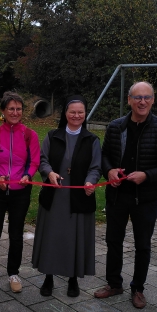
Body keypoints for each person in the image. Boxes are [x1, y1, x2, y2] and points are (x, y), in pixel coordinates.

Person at [94, 81, 157, 309]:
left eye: (147, 97)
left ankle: (138, 289)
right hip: (118, 195)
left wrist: (147, 175)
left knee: (142, 245)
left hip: (146, 198)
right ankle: (114, 283)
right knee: (113, 241)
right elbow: (104, 156)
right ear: (129, 100)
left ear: (152, 100)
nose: (142, 101)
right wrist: (109, 170)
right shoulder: (115, 127)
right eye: (138, 97)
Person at [31, 95, 102, 297]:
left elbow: (96, 167)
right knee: (52, 238)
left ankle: (73, 279)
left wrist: (91, 181)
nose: (76, 115)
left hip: (78, 198)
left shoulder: (92, 140)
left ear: (85, 114)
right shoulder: (52, 136)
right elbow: (42, 161)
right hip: (55, 197)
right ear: (65, 114)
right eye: (72, 112)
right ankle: (48, 277)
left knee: (74, 239)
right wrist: (50, 173)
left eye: (80, 112)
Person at [0, 92, 40, 297]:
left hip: (20, 192)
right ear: (3, 111)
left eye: (18, 109)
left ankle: (13, 273)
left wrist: (27, 175)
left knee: (16, 235)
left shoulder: (29, 134)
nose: (15, 113)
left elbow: (33, 162)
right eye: (11, 109)